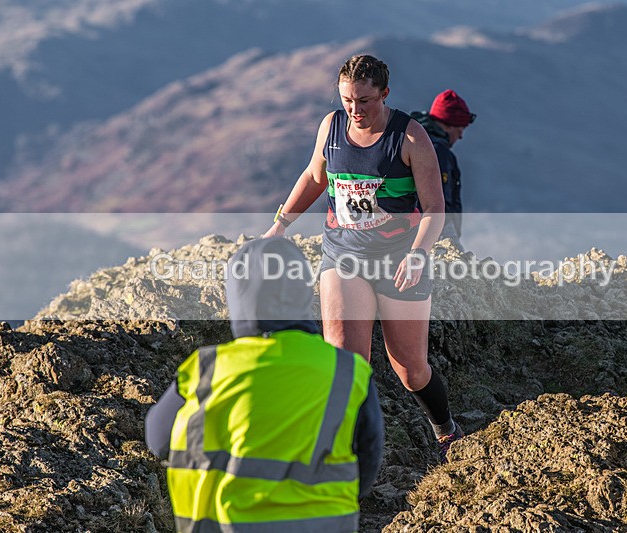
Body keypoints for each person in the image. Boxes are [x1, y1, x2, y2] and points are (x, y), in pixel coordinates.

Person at [262, 54, 463, 462]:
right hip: (344, 255)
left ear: (385, 94)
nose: (355, 110)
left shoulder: (409, 138)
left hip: (399, 261)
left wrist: (419, 254)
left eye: (365, 101)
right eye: (347, 100)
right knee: (345, 361)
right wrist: (280, 224)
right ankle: (343, 453)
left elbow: (435, 209)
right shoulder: (331, 127)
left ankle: (446, 430)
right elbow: (315, 177)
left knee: (410, 368)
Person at [145, 237, 384, 532]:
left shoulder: (208, 368)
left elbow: (158, 440)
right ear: (303, 292)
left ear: (238, 296)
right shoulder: (347, 370)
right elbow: (369, 457)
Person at [411, 89, 475, 250]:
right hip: (436, 230)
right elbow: (439, 203)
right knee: (455, 270)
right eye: (460, 129)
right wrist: (450, 243)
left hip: (410, 230)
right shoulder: (438, 152)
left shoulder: (413, 142)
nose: (460, 136)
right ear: (449, 124)